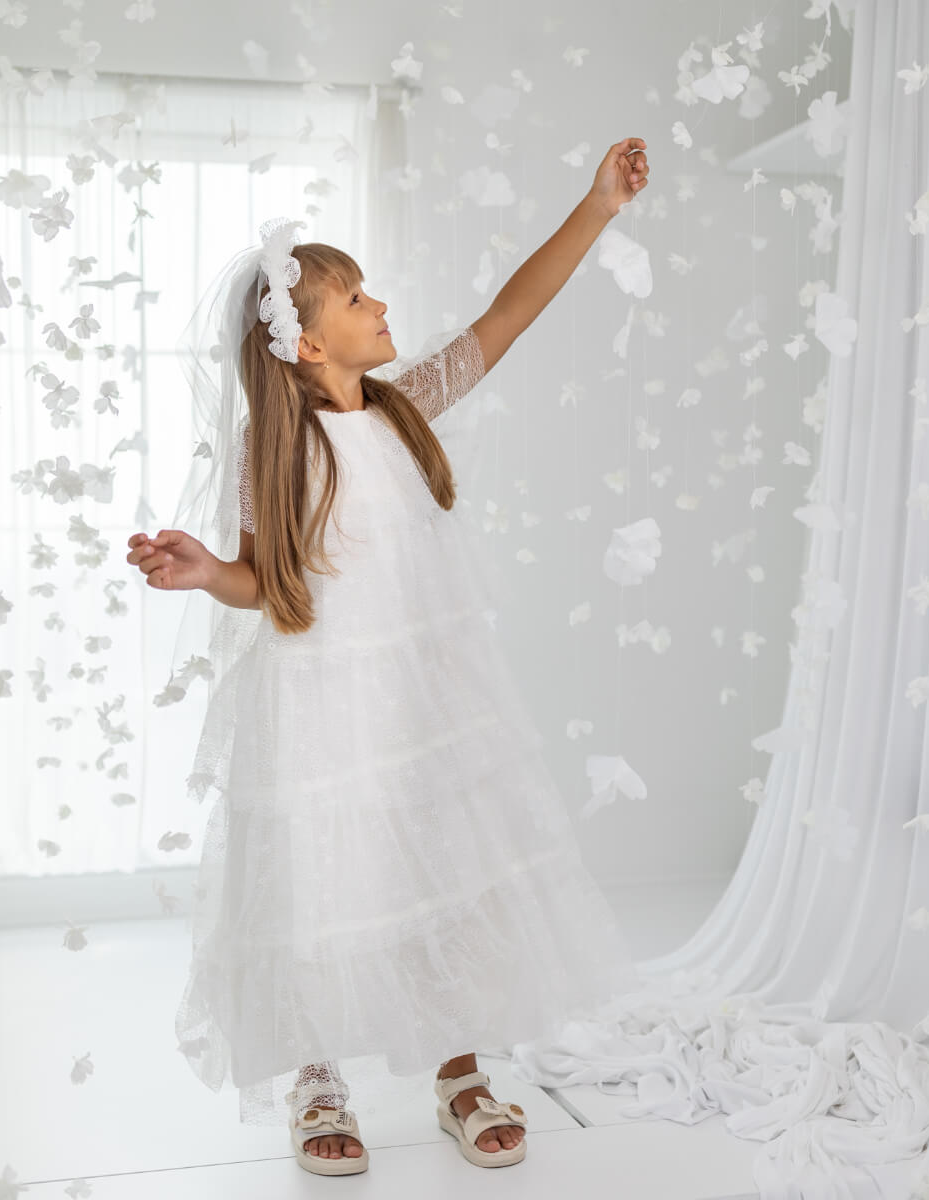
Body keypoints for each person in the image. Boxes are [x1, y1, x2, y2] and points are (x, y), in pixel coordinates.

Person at [126, 137, 651, 1175]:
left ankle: (460, 1071)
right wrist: (209, 572)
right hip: (320, 706)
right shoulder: (277, 448)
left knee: (446, 868)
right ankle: (318, 1077)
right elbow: (266, 580)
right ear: (307, 343)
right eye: (356, 298)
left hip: (426, 700)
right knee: (327, 884)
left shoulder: (407, 408)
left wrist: (596, 206)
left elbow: (507, 316)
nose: (379, 305)